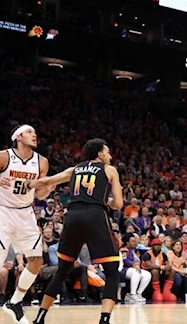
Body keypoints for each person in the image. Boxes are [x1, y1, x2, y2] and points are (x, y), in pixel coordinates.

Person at [27, 138, 124, 324]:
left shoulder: (75, 169)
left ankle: (40, 317)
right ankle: (104, 319)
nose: (110, 156)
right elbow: (118, 204)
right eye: (108, 152)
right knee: (112, 271)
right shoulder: (109, 169)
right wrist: (107, 202)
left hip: (72, 216)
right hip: (95, 215)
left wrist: (27, 184)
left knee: (62, 270)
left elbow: (46, 181)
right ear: (100, 154)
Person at [0, 125, 54, 324]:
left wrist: (48, 189)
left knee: (36, 261)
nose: (34, 135)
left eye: (36, 133)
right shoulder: (3, 157)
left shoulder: (41, 162)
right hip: (1, 210)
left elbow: (40, 195)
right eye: (30, 132)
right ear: (18, 137)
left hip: (25, 212)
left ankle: (15, 301)